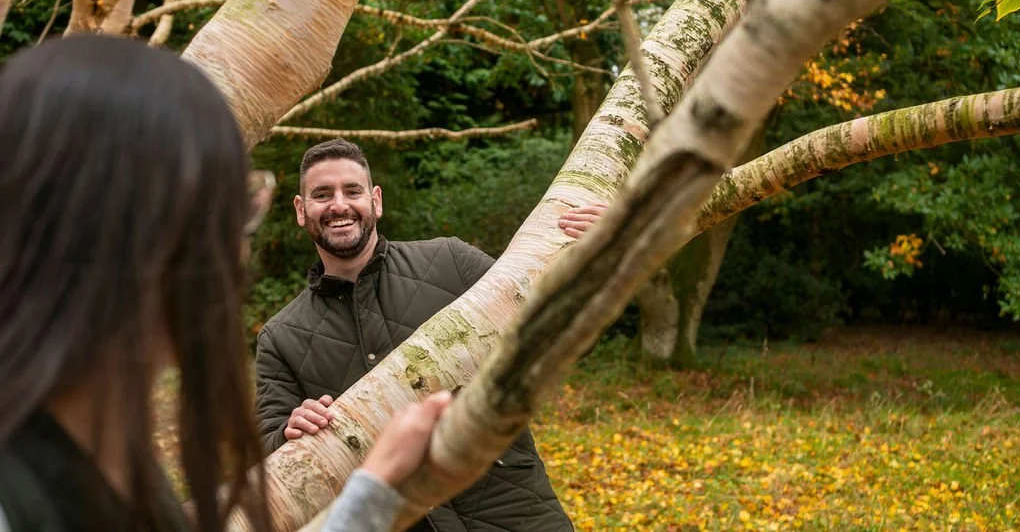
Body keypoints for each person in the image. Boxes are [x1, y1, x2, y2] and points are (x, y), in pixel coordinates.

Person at [0, 35, 454, 532]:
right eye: (228, 212)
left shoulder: (107, 453)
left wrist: (372, 489)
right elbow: (272, 433)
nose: (239, 251)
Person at [254, 138, 607, 531]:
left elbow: (561, 333)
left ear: (376, 200)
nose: (339, 205)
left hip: (517, 514)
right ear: (301, 211)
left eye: (352, 191)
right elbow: (270, 462)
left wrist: (608, 252)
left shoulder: (452, 264)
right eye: (322, 194)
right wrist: (292, 431)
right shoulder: (280, 337)